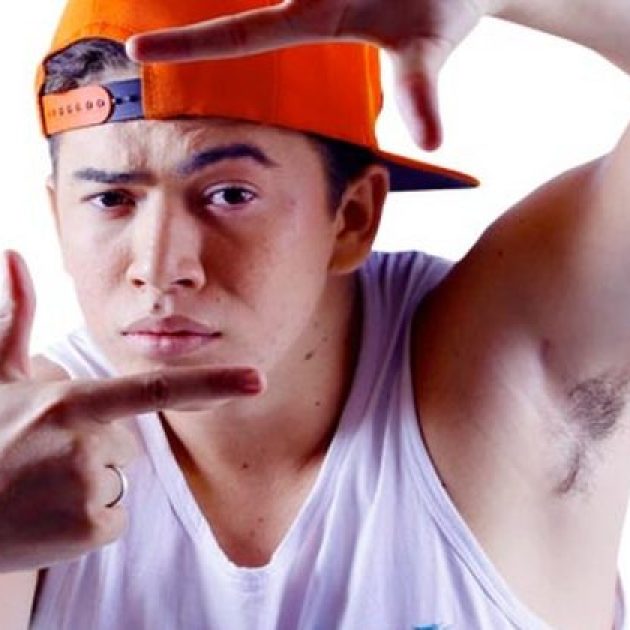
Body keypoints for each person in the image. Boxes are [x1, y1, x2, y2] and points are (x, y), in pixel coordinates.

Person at [1, 0, 629, 628]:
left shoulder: (504, 372)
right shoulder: (29, 463)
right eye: (111, 198)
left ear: (353, 217)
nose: (161, 267)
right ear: (57, 217)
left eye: (229, 194)